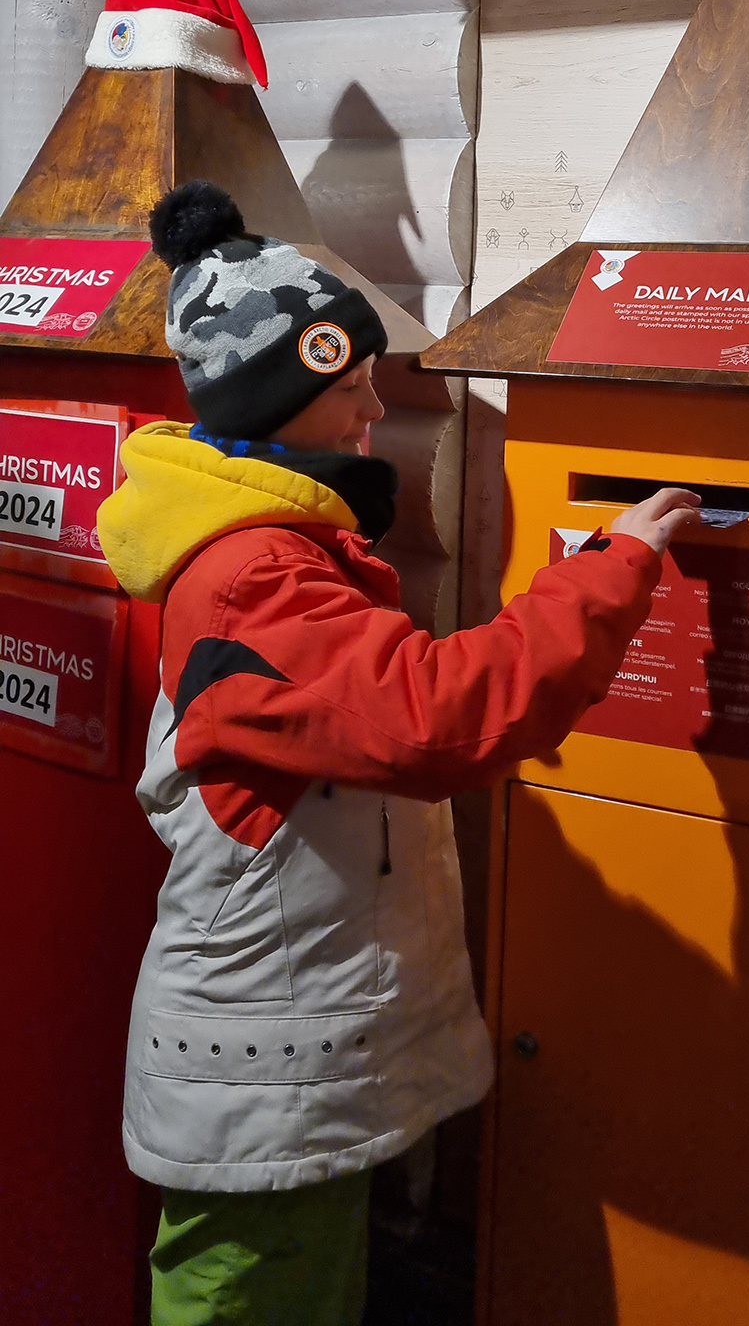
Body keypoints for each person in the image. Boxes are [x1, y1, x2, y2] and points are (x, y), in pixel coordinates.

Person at [97, 179, 699, 1326]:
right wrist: (613, 568)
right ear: (276, 398)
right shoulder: (256, 576)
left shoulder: (251, 548)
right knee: (250, 1294)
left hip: (280, 1049)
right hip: (257, 1078)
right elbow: (431, 715)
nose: (373, 418)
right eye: (351, 390)